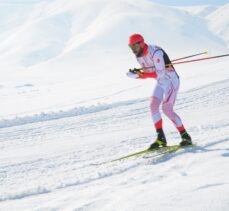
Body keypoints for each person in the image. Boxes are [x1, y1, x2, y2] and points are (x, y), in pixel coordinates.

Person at [127, 33, 192, 149]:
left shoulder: (156, 52)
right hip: (161, 82)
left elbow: (160, 73)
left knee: (167, 109)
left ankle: (185, 136)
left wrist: (143, 75)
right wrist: (137, 73)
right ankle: (160, 138)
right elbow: (150, 71)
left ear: (141, 43)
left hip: (171, 80)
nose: (133, 50)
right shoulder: (138, 55)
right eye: (131, 47)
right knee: (153, 105)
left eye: (134, 47)